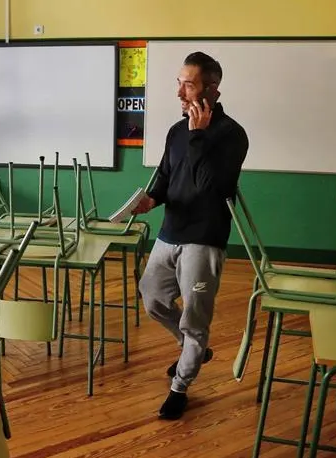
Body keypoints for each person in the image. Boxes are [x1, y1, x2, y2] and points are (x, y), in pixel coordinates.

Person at [133, 51, 249, 420]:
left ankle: (180, 387)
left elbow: (209, 187)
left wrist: (198, 136)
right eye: (178, 82)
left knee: (195, 320)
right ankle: (191, 347)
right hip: (170, 233)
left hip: (205, 238)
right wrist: (152, 199)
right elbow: (168, 177)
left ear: (211, 89)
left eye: (189, 84)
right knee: (151, 298)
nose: (180, 93)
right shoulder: (176, 132)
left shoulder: (231, 135)